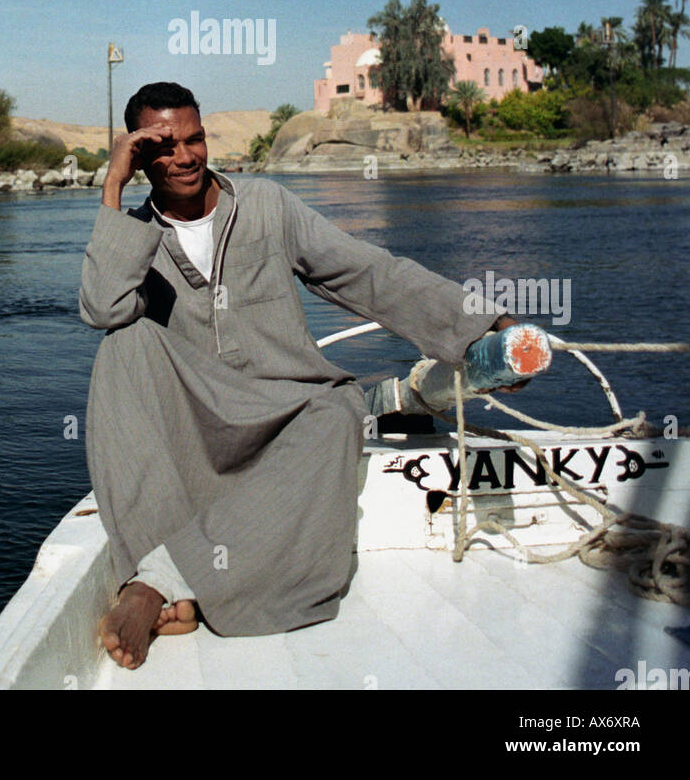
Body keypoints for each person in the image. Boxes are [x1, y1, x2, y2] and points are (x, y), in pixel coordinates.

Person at [79, 81, 514, 669]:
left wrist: (478, 324)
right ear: (137, 158)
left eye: (196, 139)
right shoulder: (134, 237)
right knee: (122, 345)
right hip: (201, 422)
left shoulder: (266, 205)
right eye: (163, 147)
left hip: (288, 411)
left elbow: (367, 273)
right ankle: (165, 573)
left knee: (337, 413)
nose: (185, 157)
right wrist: (110, 188)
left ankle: (157, 583)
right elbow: (103, 310)